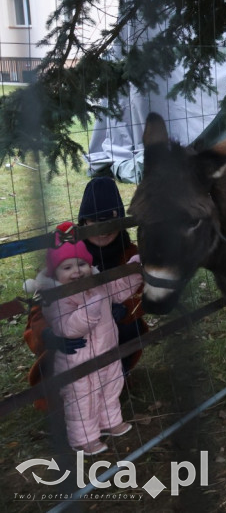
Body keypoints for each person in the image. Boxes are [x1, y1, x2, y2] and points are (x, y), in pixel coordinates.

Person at [24, 177, 147, 411]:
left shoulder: (129, 253)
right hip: (73, 336)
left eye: (110, 221)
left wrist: (123, 310)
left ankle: (114, 377)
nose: (103, 230)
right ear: (83, 222)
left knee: (131, 327)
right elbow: (39, 308)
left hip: (110, 333)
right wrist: (49, 335)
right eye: (95, 221)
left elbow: (141, 294)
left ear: (120, 222)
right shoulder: (66, 254)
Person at [24, 222, 142, 455]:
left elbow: (118, 288)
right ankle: (83, 439)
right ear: (55, 273)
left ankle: (110, 421)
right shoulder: (56, 298)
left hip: (107, 352)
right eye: (67, 267)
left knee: (110, 387)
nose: (76, 271)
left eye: (81, 264)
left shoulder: (96, 284)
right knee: (81, 400)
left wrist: (133, 270)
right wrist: (90, 309)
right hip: (77, 362)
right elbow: (68, 328)